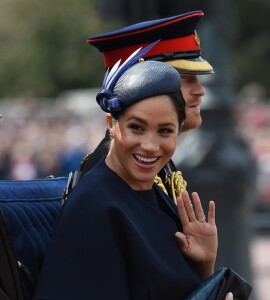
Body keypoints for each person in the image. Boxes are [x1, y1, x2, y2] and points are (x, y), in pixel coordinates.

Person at [33, 45, 219, 299]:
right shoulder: (95, 207)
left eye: (165, 131)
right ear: (111, 123)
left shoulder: (153, 192)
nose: (150, 146)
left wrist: (205, 264)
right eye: (137, 128)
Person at [68, 11, 213, 203]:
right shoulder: (117, 171)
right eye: (185, 79)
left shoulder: (148, 161)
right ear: (139, 86)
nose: (200, 90)